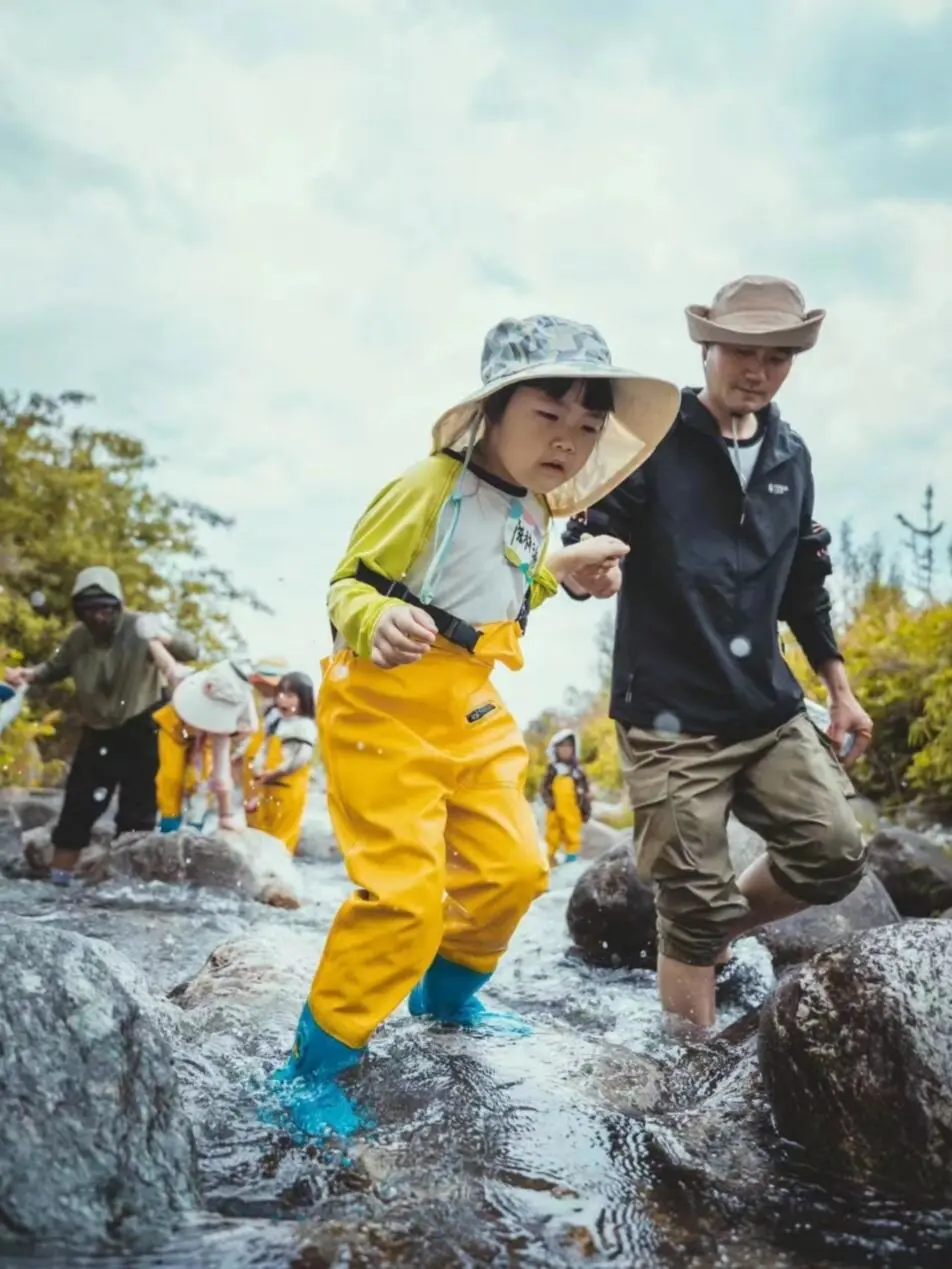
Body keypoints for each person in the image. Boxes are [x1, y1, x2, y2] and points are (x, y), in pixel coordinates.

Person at [274, 312, 681, 1137]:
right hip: (380, 706)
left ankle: (448, 998)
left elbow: (503, 595)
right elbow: (346, 587)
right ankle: (312, 1066)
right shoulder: (428, 489)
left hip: (472, 703)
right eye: (548, 415)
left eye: (587, 426)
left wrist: (562, 571)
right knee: (403, 898)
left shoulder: (534, 510)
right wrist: (374, 618)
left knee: (516, 866)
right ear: (493, 410)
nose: (567, 439)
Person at [562, 276, 874, 1033]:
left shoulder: (790, 455)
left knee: (835, 853)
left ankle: (714, 927)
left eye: (778, 355)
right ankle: (687, 1070)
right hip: (667, 718)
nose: (758, 370)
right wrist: (585, 570)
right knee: (690, 909)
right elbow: (588, 540)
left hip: (765, 707)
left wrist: (838, 687)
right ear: (707, 345)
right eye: (742, 350)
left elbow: (804, 581)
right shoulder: (653, 437)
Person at [3, 566, 197, 883]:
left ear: (117, 605)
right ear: (79, 610)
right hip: (97, 733)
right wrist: (28, 674)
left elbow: (190, 651)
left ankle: (128, 886)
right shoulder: (79, 638)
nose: (98, 615)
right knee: (75, 812)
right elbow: (54, 668)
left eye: (105, 607)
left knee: (137, 815)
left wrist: (161, 635)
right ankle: (58, 884)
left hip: (143, 728)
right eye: (89, 608)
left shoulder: (139, 626)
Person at [154, 660, 258, 834]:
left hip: (209, 739)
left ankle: (196, 823)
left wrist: (226, 815)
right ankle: (169, 821)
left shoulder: (237, 720)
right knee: (170, 777)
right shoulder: (185, 680)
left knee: (203, 781)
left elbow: (221, 773)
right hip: (175, 729)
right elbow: (167, 665)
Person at [244, 671, 317, 852]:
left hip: (288, 789)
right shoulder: (276, 722)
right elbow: (265, 746)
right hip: (267, 786)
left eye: (290, 696)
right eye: (280, 694)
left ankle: (279, 870)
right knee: (260, 831)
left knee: (282, 835)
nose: (283, 700)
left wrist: (277, 772)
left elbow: (301, 757)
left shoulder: (304, 725)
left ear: (304, 699)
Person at [541, 728, 591, 863]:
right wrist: (549, 801)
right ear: (555, 749)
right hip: (554, 810)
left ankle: (572, 858)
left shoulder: (578, 772)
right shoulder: (552, 770)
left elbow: (585, 793)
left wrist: (586, 810)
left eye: (569, 747)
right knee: (552, 834)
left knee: (573, 834)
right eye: (561, 747)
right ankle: (549, 859)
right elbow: (544, 788)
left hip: (572, 810)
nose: (565, 750)